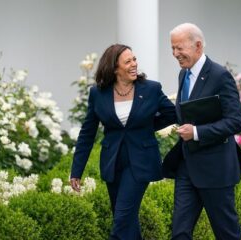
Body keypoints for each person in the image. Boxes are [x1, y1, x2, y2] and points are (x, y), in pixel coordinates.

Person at [70, 43, 177, 240]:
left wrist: (147, 126)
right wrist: (76, 171)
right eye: (128, 61)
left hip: (141, 162)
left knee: (121, 220)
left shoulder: (151, 88)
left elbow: (172, 114)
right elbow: (87, 133)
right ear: (114, 68)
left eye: (134, 59)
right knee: (127, 222)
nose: (134, 64)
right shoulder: (98, 93)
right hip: (113, 162)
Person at [164, 23, 241, 239]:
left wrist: (197, 132)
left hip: (215, 170)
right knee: (179, 233)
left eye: (179, 48)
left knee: (227, 234)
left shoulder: (220, 76)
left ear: (197, 46)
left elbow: (236, 121)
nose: (175, 54)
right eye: (172, 48)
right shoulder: (183, 75)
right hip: (186, 168)